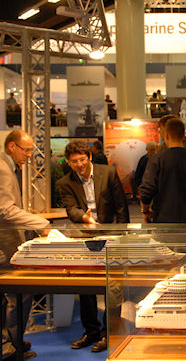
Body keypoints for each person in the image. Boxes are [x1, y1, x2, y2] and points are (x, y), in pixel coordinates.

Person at [0, 130, 49, 361]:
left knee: (7, 297)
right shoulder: (0, 168)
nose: (29, 155)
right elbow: (6, 210)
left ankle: (9, 344)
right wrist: (41, 224)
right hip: (1, 245)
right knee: (12, 296)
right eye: (26, 150)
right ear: (12, 146)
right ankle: (6, 348)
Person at [56, 140, 130, 353]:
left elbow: (121, 206)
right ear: (68, 162)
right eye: (74, 161)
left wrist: (122, 235)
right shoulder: (65, 183)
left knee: (113, 286)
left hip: (112, 237)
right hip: (85, 238)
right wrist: (84, 218)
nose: (79, 165)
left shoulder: (108, 173)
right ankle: (91, 332)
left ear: (89, 157)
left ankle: (110, 331)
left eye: (82, 159)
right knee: (85, 286)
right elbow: (71, 209)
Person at [139, 118, 186, 226]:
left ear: (166, 136)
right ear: (183, 136)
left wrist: (145, 210)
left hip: (163, 220)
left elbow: (147, 190)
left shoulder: (156, 160)